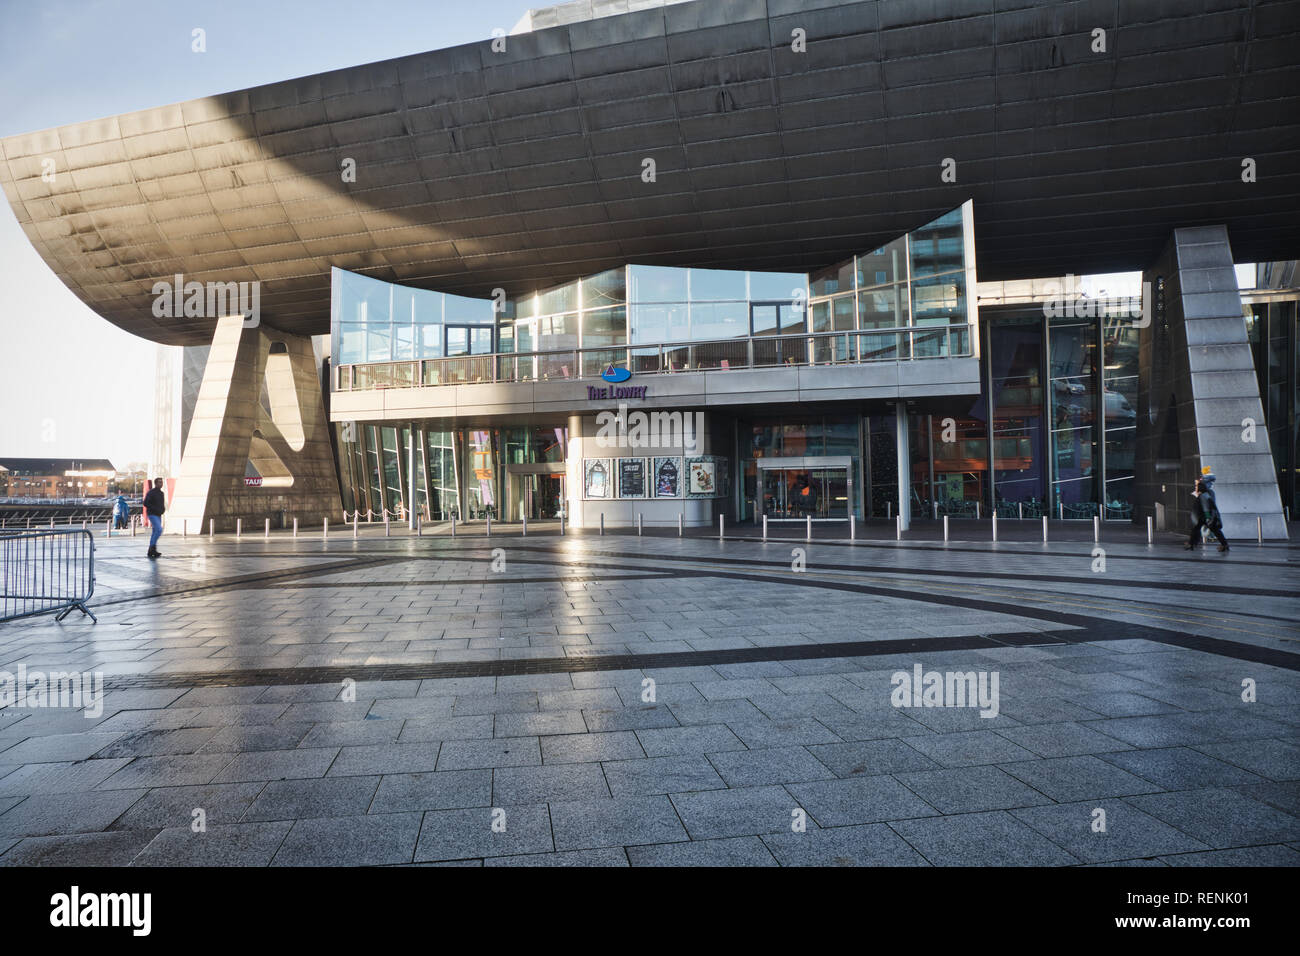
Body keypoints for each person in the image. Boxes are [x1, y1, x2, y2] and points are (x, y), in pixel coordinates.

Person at [1185, 473, 1229, 552]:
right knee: (1197, 529)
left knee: (1213, 530)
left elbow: (1205, 508)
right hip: (1204, 517)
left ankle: (1224, 545)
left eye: (1197, 486)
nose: (1196, 488)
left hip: (1205, 516)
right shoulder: (1207, 494)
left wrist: (1208, 517)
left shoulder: (1203, 496)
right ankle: (1191, 544)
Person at [142, 478, 166, 559]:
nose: (161, 484)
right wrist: (154, 508)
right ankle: (152, 547)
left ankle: (152, 550)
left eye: (162, 482)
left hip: (158, 514)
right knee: (159, 530)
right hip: (152, 514)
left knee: (155, 531)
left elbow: (161, 503)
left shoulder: (161, 493)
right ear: (155, 483)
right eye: (159, 482)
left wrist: (162, 509)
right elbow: (145, 503)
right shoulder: (151, 492)